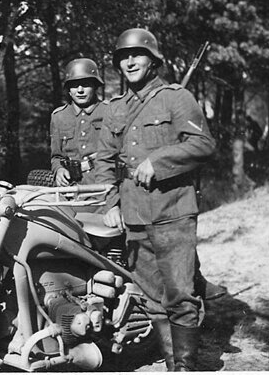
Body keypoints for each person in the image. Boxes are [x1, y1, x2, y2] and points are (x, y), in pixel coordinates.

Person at [95, 28, 216, 371]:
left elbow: (203, 144)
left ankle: (185, 367)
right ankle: (170, 362)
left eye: (137, 55)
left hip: (173, 212)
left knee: (180, 296)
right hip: (133, 216)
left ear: (153, 60)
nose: (129, 61)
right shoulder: (115, 108)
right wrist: (110, 204)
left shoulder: (176, 98)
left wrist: (158, 163)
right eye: (123, 56)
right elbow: (104, 162)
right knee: (151, 299)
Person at [50, 58, 107, 188]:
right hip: (69, 187)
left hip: (101, 185)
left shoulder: (109, 111)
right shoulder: (59, 116)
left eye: (85, 84)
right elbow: (56, 157)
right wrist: (59, 170)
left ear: (95, 86)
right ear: (69, 89)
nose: (80, 90)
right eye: (74, 85)